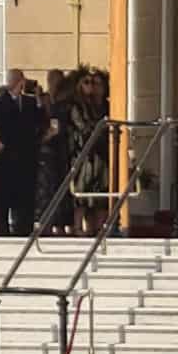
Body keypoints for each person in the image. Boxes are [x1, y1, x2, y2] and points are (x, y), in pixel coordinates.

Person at [0, 69, 43, 236]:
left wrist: (39, 100)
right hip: (7, 157)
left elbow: (41, 121)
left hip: (27, 157)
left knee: (25, 197)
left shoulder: (29, 102)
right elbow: (3, 127)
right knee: (4, 196)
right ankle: (2, 230)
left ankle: (24, 229)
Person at [68, 68, 108, 235]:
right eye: (87, 82)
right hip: (83, 154)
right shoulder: (77, 106)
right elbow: (82, 126)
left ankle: (98, 228)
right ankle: (78, 228)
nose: (91, 86)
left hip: (101, 153)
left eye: (94, 83)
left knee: (100, 192)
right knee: (82, 191)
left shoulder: (103, 106)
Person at [35, 75, 73, 236]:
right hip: (48, 153)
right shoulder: (44, 100)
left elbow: (59, 126)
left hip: (60, 152)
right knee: (47, 190)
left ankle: (59, 224)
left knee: (59, 189)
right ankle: (47, 223)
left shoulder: (64, 105)